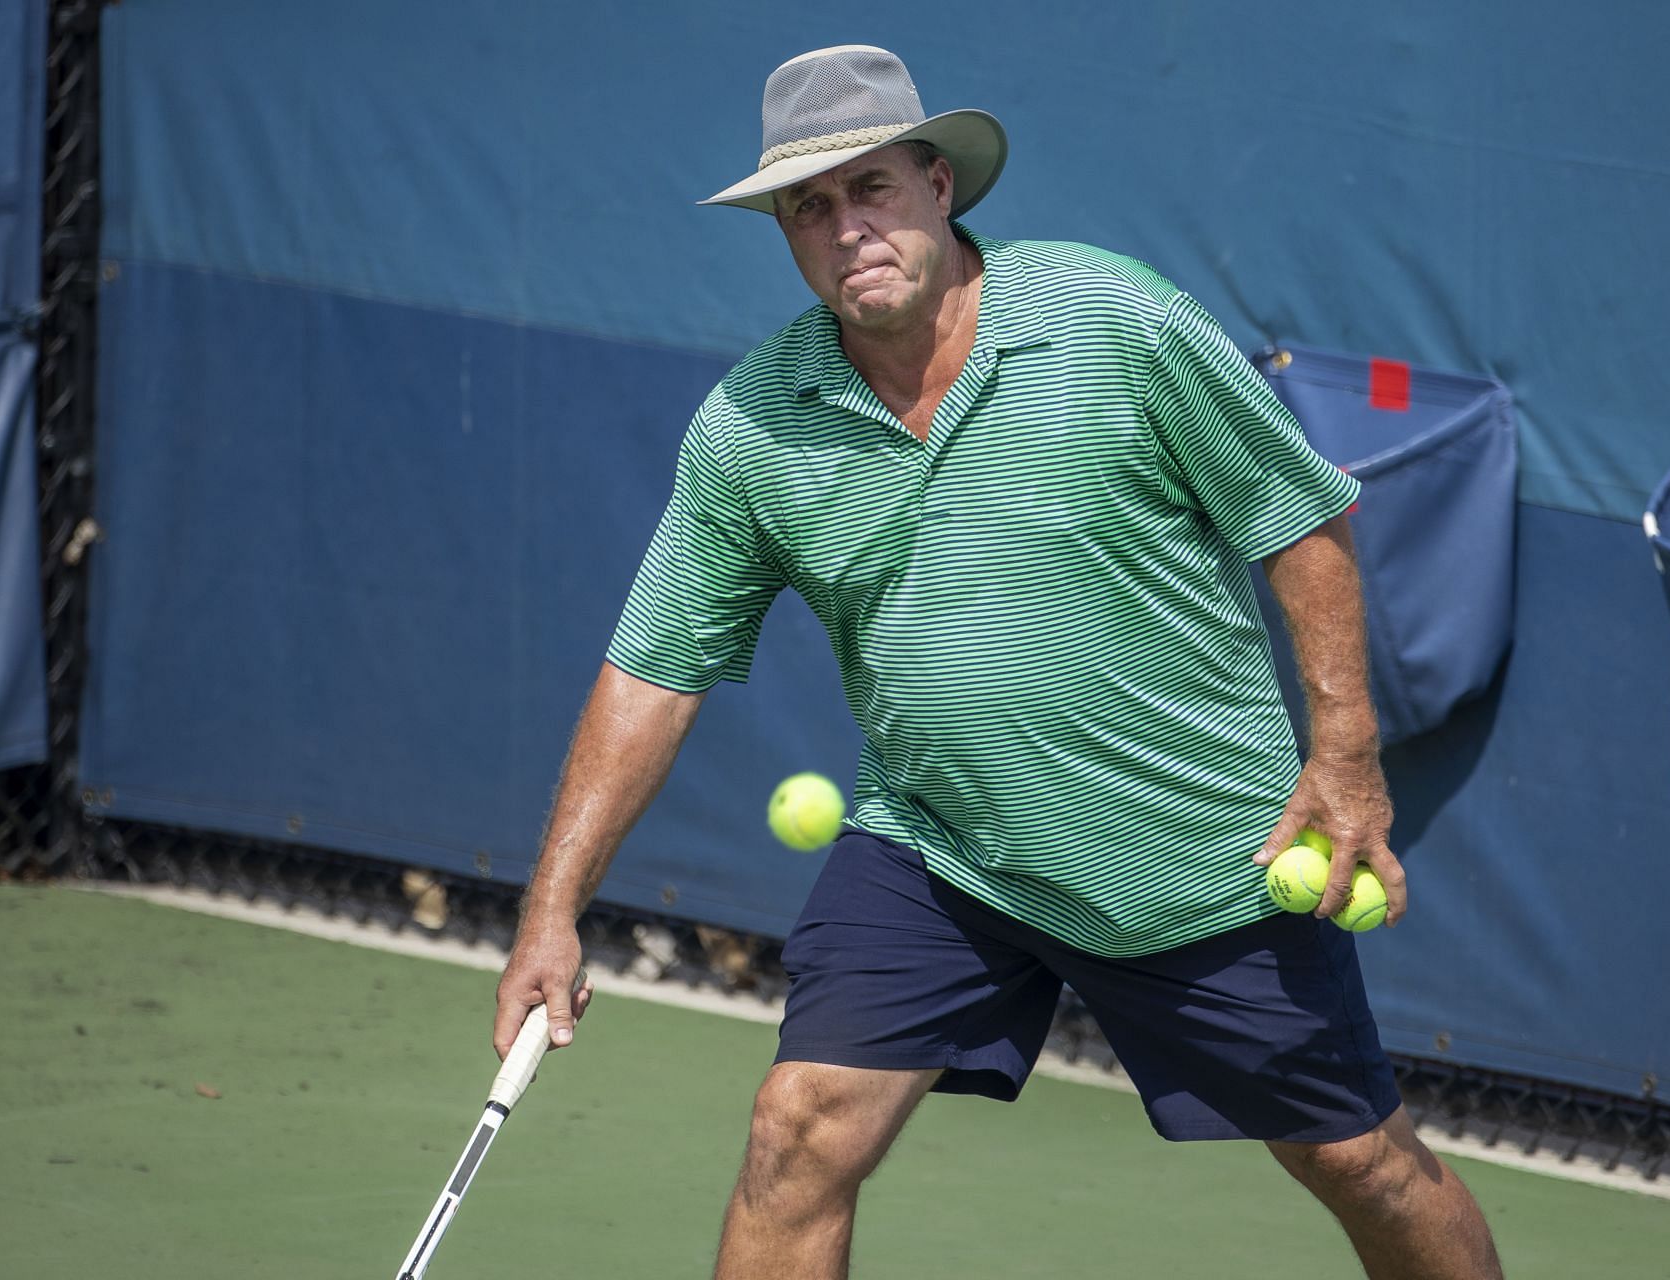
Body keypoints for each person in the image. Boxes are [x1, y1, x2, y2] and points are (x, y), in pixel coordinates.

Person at [495, 44, 1503, 1280]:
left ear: (939, 184)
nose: (846, 226)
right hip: (946, 848)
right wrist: (551, 912)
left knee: (1363, 1164)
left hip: (1200, 860)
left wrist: (1344, 749)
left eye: (871, 186)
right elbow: (654, 669)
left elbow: (1300, 516)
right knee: (797, 1128)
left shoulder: (1115, 320)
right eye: (809, 206)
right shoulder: (753, 423)